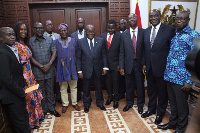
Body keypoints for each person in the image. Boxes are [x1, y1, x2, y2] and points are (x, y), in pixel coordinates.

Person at [158, 11, 200, 133]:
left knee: (182, 106)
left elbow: (195, 61)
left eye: (182, 19)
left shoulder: (194, 35)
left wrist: (189, 81)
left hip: (182, 79)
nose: (179, 21)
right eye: (177, 19)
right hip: (170, 76)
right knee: (173, 104)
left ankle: (181, 128)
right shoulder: (176, 34)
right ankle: (172, 123)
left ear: (188, 20)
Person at [142, 9, 176, 125]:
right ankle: (151, 109)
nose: (153, 18)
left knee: (162, 93)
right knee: (151, 91)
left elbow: (173, 50)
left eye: (155, 16)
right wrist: (144, 64)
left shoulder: (169, 30)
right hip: (150, 68)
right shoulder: (146, 31)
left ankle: (160, 113)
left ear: (160, 16)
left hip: (163, 68)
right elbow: (145, 50)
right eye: (151, 16)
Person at [13, 22, 44, 129]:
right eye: (21, 29)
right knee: (28, 97)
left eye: (25, 29)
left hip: (30, 74)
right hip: (23, 76)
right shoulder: (15, 45)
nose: (23, 31)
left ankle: (37, 118)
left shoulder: (25, 43)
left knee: (33, 96)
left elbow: (30, 59)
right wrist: (22, 79)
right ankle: (31, 122)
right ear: (17, 30)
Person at [0, 27, 30, 133]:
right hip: (12, 96)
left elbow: (16, 72)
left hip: (17, 93)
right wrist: (20, 91)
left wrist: (23, 84)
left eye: (13, 34)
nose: (12, 37)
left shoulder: (9, 48)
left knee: (23, 119)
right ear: (1, 38)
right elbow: (6, 78)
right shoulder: (2, 52)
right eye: (9, 35)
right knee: (20, 123)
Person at [29, 22, 60, 117]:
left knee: (51, 90)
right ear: (34, 29)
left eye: (41, 28)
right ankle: (44, 110)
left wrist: (49, 64)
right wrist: (40, 66)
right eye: (37, 28)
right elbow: (30, 56)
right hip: (38, 71)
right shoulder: (30, 41)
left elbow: (54, 52)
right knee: (41, 91)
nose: (40, 30)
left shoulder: (49, 40)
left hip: (50, 69)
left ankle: (52, 108)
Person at [77, 24, 107, 113]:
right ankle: (86, 104)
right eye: (88, 31)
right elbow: (78, 57)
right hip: (86, 69)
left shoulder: (101, 41)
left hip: (98, 69)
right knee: (86, 88)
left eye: (92, 31)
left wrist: (105, 67)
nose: (90, 33)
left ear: (95, 32)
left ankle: (100, 103)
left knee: (98, 87)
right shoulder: (80, 42)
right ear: (85, 32)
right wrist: (79, 70)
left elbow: (104, 55)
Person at [119, 13, 145, 114]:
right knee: (128, 85)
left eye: (134, 17)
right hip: (128, 64)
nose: (132, 19)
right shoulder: (124, 34)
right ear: (128, 21)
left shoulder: (143, 32)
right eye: (130, 18)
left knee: (140, 86)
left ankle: (140, 104)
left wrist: (144, 63)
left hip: (139, 64)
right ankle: (129, 103)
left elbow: (145, 50)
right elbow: (121, 52)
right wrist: (121, 66)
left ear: (137, 19)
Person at [55, 23, 80, 113]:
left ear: (67, 31)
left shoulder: (73, 41)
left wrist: (77, 66)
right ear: (59, 32)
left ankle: (74, 103)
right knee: (63, 87)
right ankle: (65, 104)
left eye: (65, 30)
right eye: (61, 31)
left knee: (73, 86)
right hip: (61, 67)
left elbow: (77, 54)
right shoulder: (56, 42)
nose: (63, 32)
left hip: (72, 66)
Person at [100, 20, 121, 109]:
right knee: (108, 82)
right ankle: (110, 97)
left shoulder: (120, 36)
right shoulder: (102, 36)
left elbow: (121, 51)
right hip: (106, 64)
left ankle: (116, 100)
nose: (110, 29)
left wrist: (120, 64)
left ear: (116, 27)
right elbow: (101, 51)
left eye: (112, 28)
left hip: (116, 64)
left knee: (116, 83)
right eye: (109, 27)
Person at [43, 20, 61, 104]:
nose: (50, 26)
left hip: (58, 61)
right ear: (45, 26)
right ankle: (51, 98)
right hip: (48, 61)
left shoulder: (57, 35)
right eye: (48, 25)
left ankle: (59, 96)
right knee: (51, 80)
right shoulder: (42, 36)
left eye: (51, 24)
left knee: (58, 80)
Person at [71, 17, 86, 102]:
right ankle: (78, 95)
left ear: (84, 23)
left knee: (86, 79)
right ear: (77, 24)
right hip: (77, 59)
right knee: (77, 79)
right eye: (79, 22)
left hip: (86, 59)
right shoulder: (73, 35)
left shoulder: (87, 32)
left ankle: (86, 95)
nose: (80, 24)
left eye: (82, 22)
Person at [118, 19, 127, 100]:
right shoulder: (117, 35)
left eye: (124, 23)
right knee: (120, 79)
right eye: (121, 24)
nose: (122, 25)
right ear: (118, 25)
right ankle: (121, 93)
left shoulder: (129, 33)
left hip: (128, 60)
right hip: (119, 60)